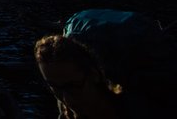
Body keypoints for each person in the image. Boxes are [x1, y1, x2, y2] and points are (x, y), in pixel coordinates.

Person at [34, 9, 177, 118]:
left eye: (73, 86)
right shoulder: (69, 94)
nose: (67, 99)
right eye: (53, 87)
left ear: (95, 74)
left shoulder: (141, 108)